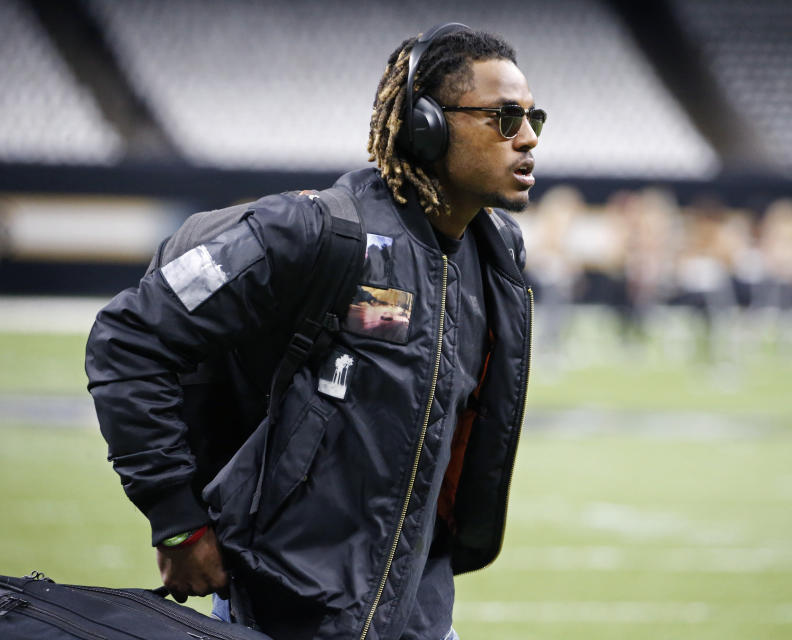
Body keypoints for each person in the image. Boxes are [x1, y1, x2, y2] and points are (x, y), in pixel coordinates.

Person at [85, 24, 543, 640]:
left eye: (533, 115)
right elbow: (128, 337)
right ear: (426, 124)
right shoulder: (311, 231)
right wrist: (176, 519)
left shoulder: (497, 256)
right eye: (504, 116)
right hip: (281, 611)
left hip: (419, 616)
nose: (529, 137)